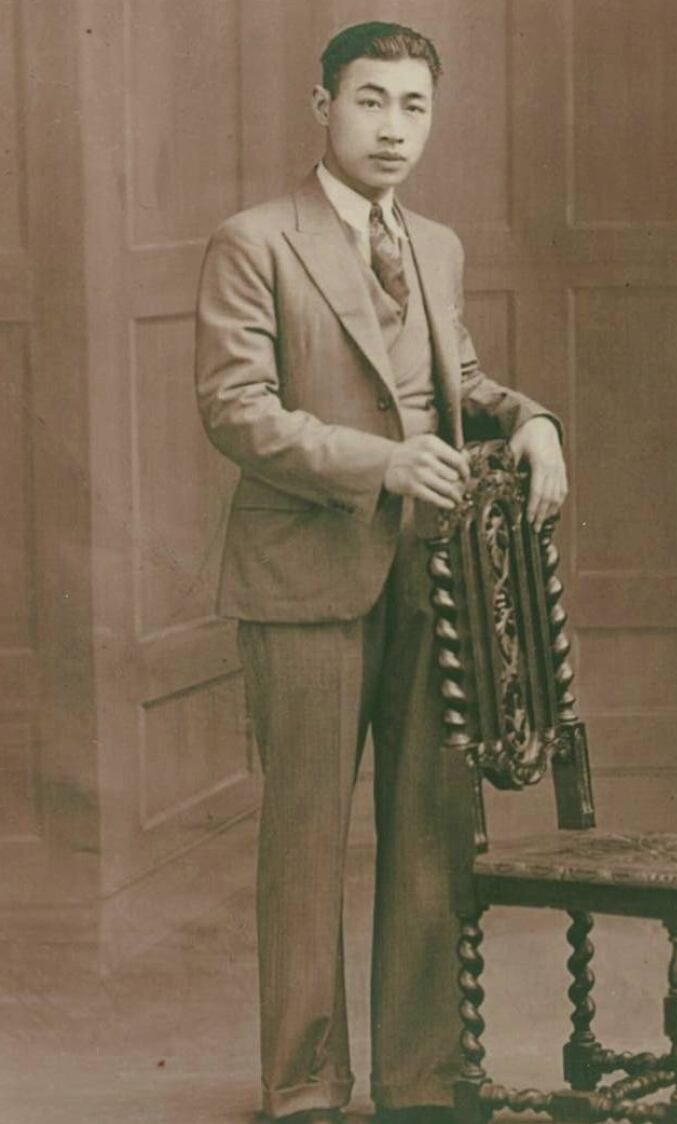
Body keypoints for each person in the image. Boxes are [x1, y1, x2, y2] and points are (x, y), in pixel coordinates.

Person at [195, 20, 567, 1124]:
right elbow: (235, 410)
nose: (394, 127)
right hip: (305, 574)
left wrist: (533, 420)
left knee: (429, 831)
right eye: (370, 101)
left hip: (433, 579)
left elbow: (460, 374)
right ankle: (306, 1088)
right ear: (322, 108)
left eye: (414, 105)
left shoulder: (436, 245)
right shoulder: (254, 238)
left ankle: (421, 1083)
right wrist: (385, 462)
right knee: (305, 842)